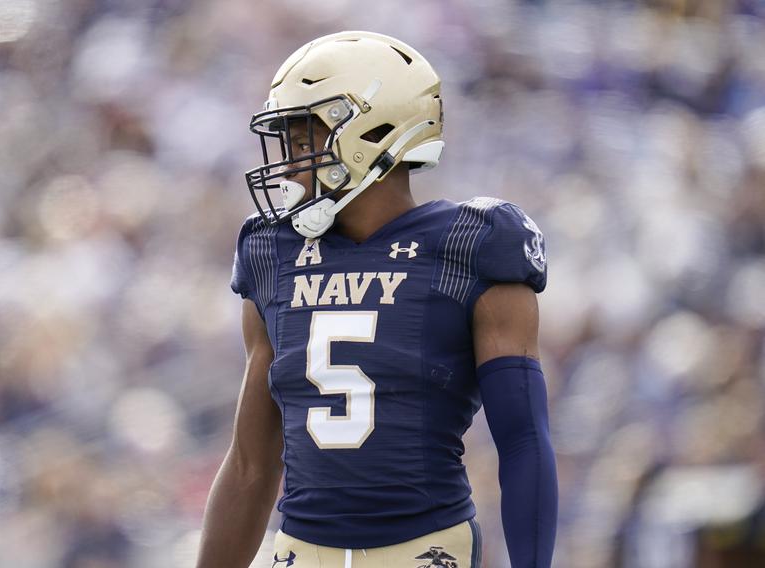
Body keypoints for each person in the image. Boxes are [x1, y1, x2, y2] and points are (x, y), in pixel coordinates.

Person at [196, 31, 557, 568]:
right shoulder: (272, 253)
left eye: (303, 140)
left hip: (422, 550)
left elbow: (523, 441)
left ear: (372, 130)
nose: (290, 164)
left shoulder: (470, 244)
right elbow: (252, 465)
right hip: (298, 553)